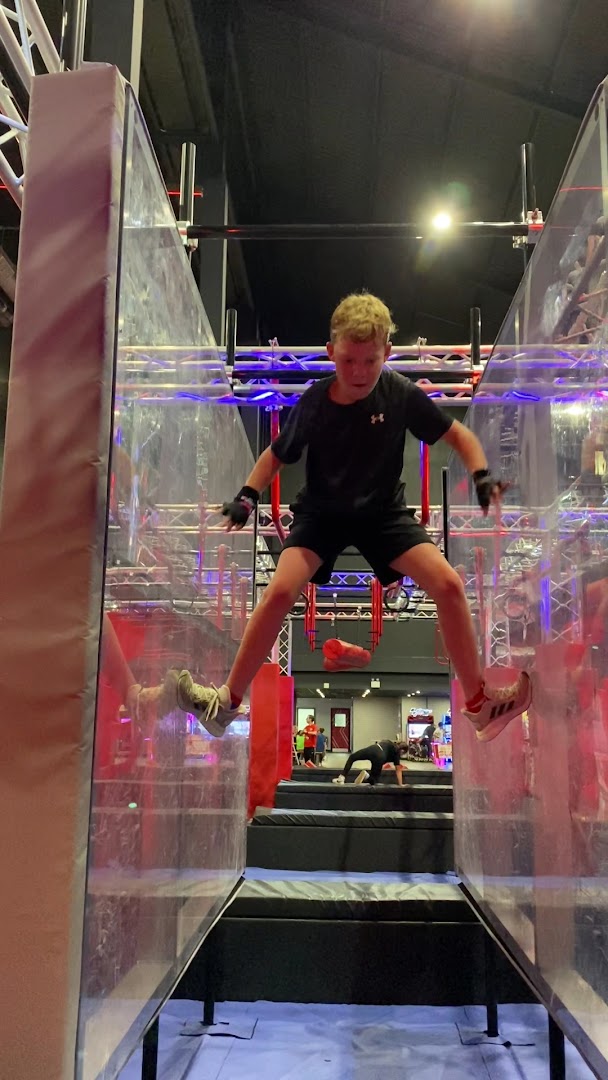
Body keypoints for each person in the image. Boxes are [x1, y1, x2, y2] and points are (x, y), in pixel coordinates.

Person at [175, 292, 531, 740]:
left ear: (387, 353)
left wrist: (481, 478)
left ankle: (479, 707)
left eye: (370, 361)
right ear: (330, 354)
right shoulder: (316, 402)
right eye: (349, 361)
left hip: (383, 513)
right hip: (321, 514)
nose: (360, 372)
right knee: (281, 590)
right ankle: (225, 704)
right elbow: (276, 455)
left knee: (448, 585)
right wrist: (246, 497)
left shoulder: (400, 394)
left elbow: (459, 437)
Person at [332, 740, 407, 786]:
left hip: (373, 748)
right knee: (373, 781)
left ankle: (342, 777)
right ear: (402, 750)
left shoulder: (388, 742)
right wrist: (400, 784)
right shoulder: (397, 753)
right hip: (380, 757)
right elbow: (398, 770)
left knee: (352, 757)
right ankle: (366, 776)